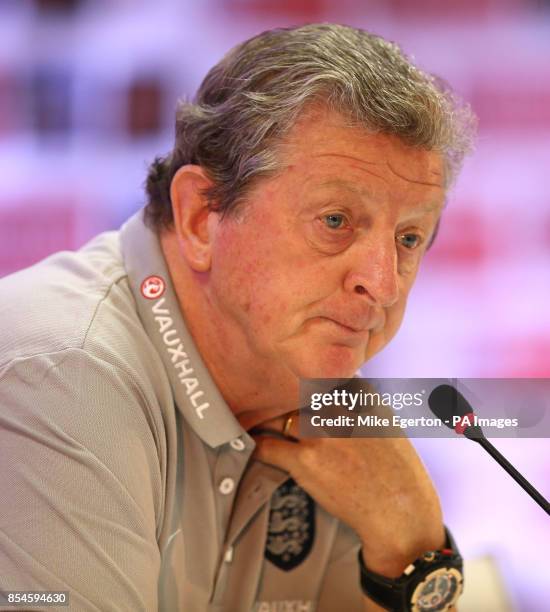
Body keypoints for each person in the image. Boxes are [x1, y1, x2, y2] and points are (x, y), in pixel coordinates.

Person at [0, 23, 476, 612]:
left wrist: (413, 549)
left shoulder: (329, 419)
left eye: (409, 238)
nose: (380, 284)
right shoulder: (65, 372)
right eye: (335, 221)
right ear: (202, 217)